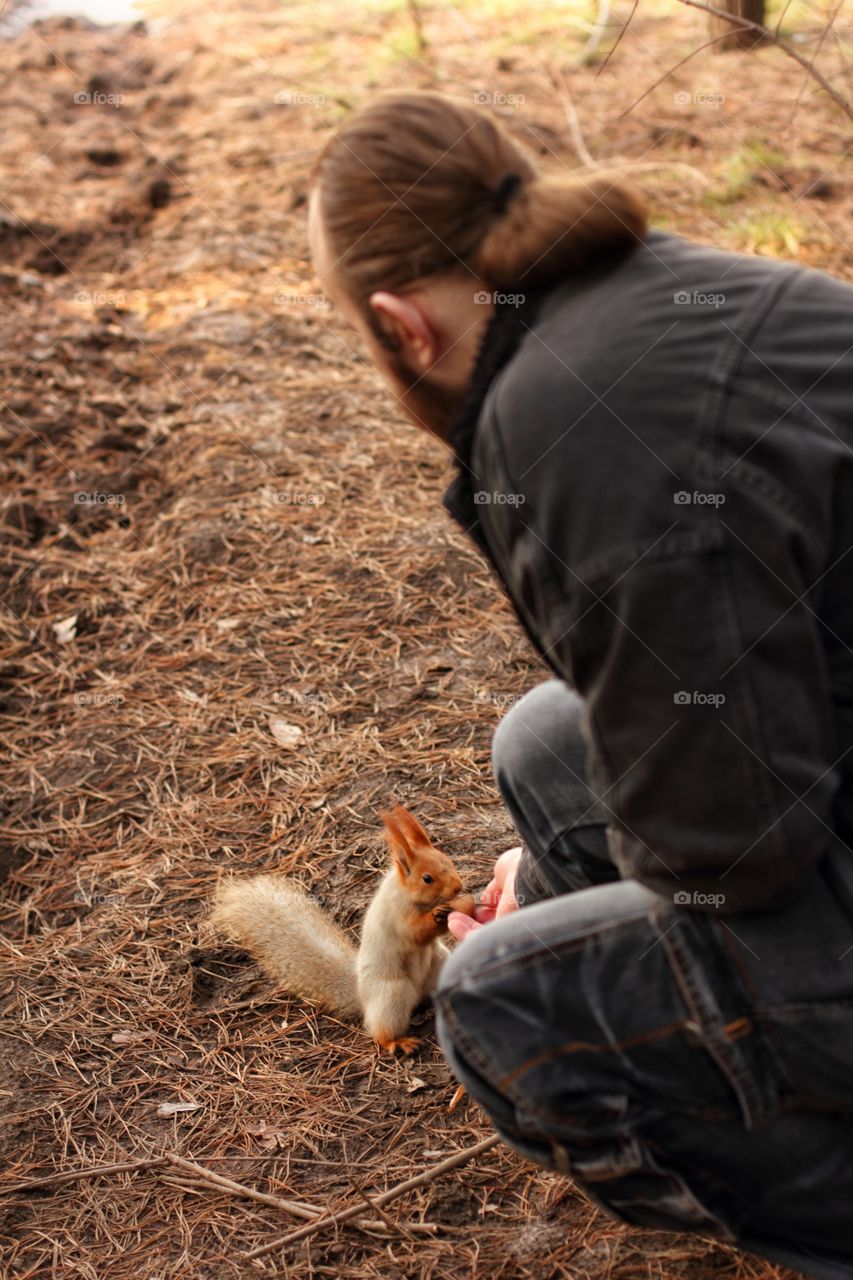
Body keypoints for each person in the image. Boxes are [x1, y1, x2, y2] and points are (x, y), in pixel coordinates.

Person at [307, 89, 853, 1280]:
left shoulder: (569, 423)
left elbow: (730, 849)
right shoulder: (665, 290)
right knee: (546, 744)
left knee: (506, 1003)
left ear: (399, 325)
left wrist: (555, 907)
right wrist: (548, 872)